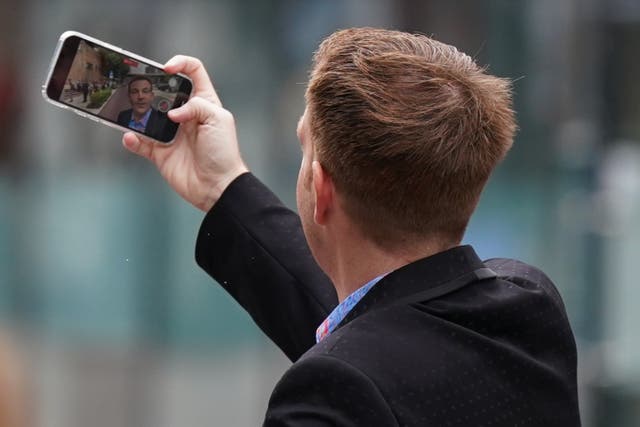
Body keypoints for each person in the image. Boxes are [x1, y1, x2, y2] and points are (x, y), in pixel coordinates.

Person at [122, 28, 581, 426]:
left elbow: (368, 355)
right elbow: (382, 329)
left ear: (319, 189)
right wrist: (224, 186)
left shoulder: (328, 394)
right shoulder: (528, 305)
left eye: (304, 149)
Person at [117, 76, 176, 141]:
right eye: (135, 92)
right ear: (129, 97)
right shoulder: (122, 116)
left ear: (152, 96)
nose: (140, 96)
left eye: (145, 91)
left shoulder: (163, 123)